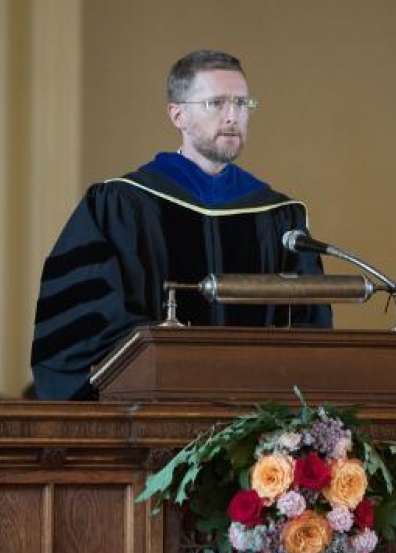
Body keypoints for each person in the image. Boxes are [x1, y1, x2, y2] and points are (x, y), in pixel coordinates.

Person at [31, 49, 332, 400]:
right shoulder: (123, 205)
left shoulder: (277, 214)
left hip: (260, 422)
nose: (233, 116)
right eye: (216, 103)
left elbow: (309, 327)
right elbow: (83, 327)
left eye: (242, 103)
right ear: (178, 115)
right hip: (154, 417)